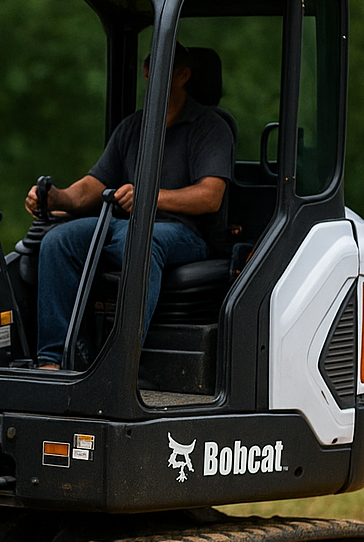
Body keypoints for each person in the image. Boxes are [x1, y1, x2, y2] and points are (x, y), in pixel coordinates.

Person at [25, 44, 233, 369]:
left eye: (160, 67)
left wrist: (148, 198)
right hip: (125, 224)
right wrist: (56, 198)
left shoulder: (209, 128)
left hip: (186, 234)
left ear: (183, 75)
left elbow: (210, 196)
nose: (149, 74)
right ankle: (52, 362)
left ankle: (118, 367)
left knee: (139, 241)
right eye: (148, 67)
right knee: (59, 240)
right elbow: (94, 186)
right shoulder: (134, 127)